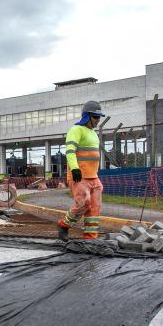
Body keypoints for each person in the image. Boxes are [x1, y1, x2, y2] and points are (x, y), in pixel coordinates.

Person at [57, 101, 104, 240]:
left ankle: (90, 238)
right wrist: (75, 168)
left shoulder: (93, 134)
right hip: (79, 176)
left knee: (95, 208)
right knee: (84, 203)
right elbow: (70, 151)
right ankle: (63, 225)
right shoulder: (76, 130)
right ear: (87, 116)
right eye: (95, 117)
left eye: (99, 117)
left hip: (93, 177)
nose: (98, 120)